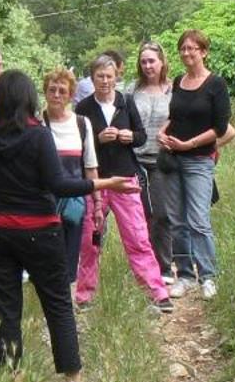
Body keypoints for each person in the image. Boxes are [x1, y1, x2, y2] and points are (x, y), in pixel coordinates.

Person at [0, 69, 136, 382]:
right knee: (57, 305)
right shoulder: (39, 135)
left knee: (7, 309)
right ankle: (72, 381)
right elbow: (58, 184)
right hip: (40, 232)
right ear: (30, 97)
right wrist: (103, 183)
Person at [74, 55, 173, 314]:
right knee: (90, 240)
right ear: (92, 78)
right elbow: (78, 147)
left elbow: (141, 136)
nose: (105, 81)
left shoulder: (126, 101)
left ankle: (157, 292)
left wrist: (130, 137)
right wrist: (98, 139)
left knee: (138, 237)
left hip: (125, 178)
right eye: (100, 76)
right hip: (96, 181)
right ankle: (85, 296)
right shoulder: (83, 108)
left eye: (109, 76)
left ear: (117, 77)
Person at [159, 28, 232, 299]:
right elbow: (175, 115)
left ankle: (208, 276)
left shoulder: (216, 84)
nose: (187, 53)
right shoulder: (178, 81)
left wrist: (189, 145)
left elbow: (220, 128)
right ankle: (186, 275)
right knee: (177, 220)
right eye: (183, 48)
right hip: (173, 161)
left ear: (204, 52)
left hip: (199, 160)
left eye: (192, 48)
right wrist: (163, 132)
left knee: (198, 220)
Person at [42, 68, 98, 287]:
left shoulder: (82, 124)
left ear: (71, 95)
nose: (56, 95)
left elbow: (90, 166)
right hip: (44, 202)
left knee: (70, 259)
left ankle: (65, 310)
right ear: (45, 92)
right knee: (46, 259)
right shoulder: (37, 123)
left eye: (62, 91)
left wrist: (98, 203)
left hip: (75, 203)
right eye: (52, 90)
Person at [129, 42, 175, 284]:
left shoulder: (173, 90)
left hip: (162, 160)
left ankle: (164, 268)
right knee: (140, 216)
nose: (147, 66)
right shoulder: (132, 91)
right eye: (143, 61)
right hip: (134, 159)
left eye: (152, 61)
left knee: (162, 214)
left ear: (162, 62)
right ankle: (143, 268)